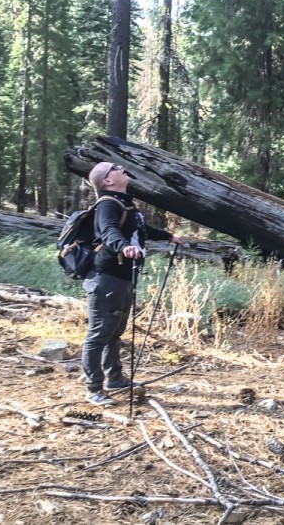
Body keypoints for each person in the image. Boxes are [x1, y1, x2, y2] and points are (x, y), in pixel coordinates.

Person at [81, 162, 182, 406]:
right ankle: (93, 388)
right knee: (98, 334)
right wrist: (123, 247)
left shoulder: (125, 203)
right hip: (105, 278)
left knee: (115, 332)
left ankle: (114, 379)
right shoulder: (107, 204)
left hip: (123, 277)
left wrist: (168, 236)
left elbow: (140, 229)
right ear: (107, 181)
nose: (121, 167)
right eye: (115, 167)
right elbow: (109, 232)